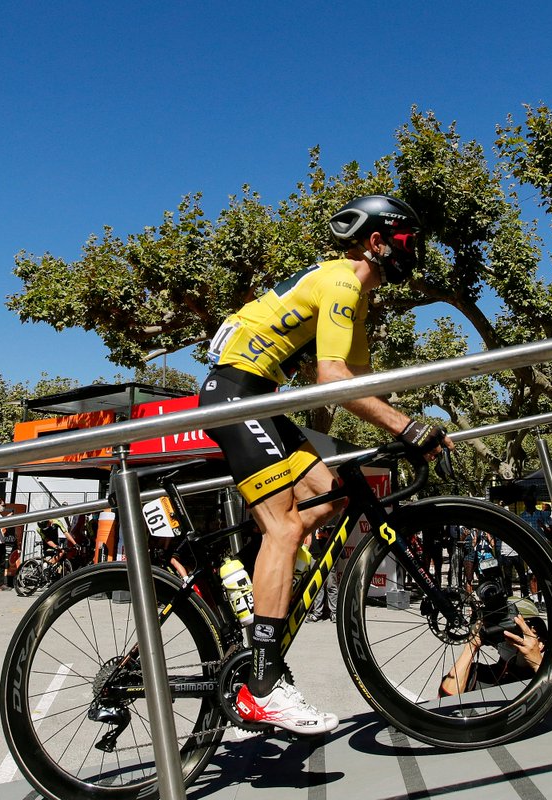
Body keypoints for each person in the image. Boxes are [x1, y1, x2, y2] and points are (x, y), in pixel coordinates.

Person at [198, 194, 451, 735]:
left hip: (259, 398)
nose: (415, 251)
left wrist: (403, 426)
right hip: (237, 395)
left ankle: (246, 580)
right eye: (408, 241)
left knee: (330, 493)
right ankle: (262, 687)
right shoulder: (342, 282)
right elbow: (331, 379)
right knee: (285, 528)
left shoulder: (355, 296)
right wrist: (406, 428)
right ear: (378, 242)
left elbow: (358, 382)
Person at [439, 613, 547, 697]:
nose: (509, 636)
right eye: (505, 627)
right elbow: (445, 703)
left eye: (520, 630)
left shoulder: (549, 679)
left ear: (541, 644)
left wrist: (538, 664)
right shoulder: (477, 673)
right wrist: (471, 646)